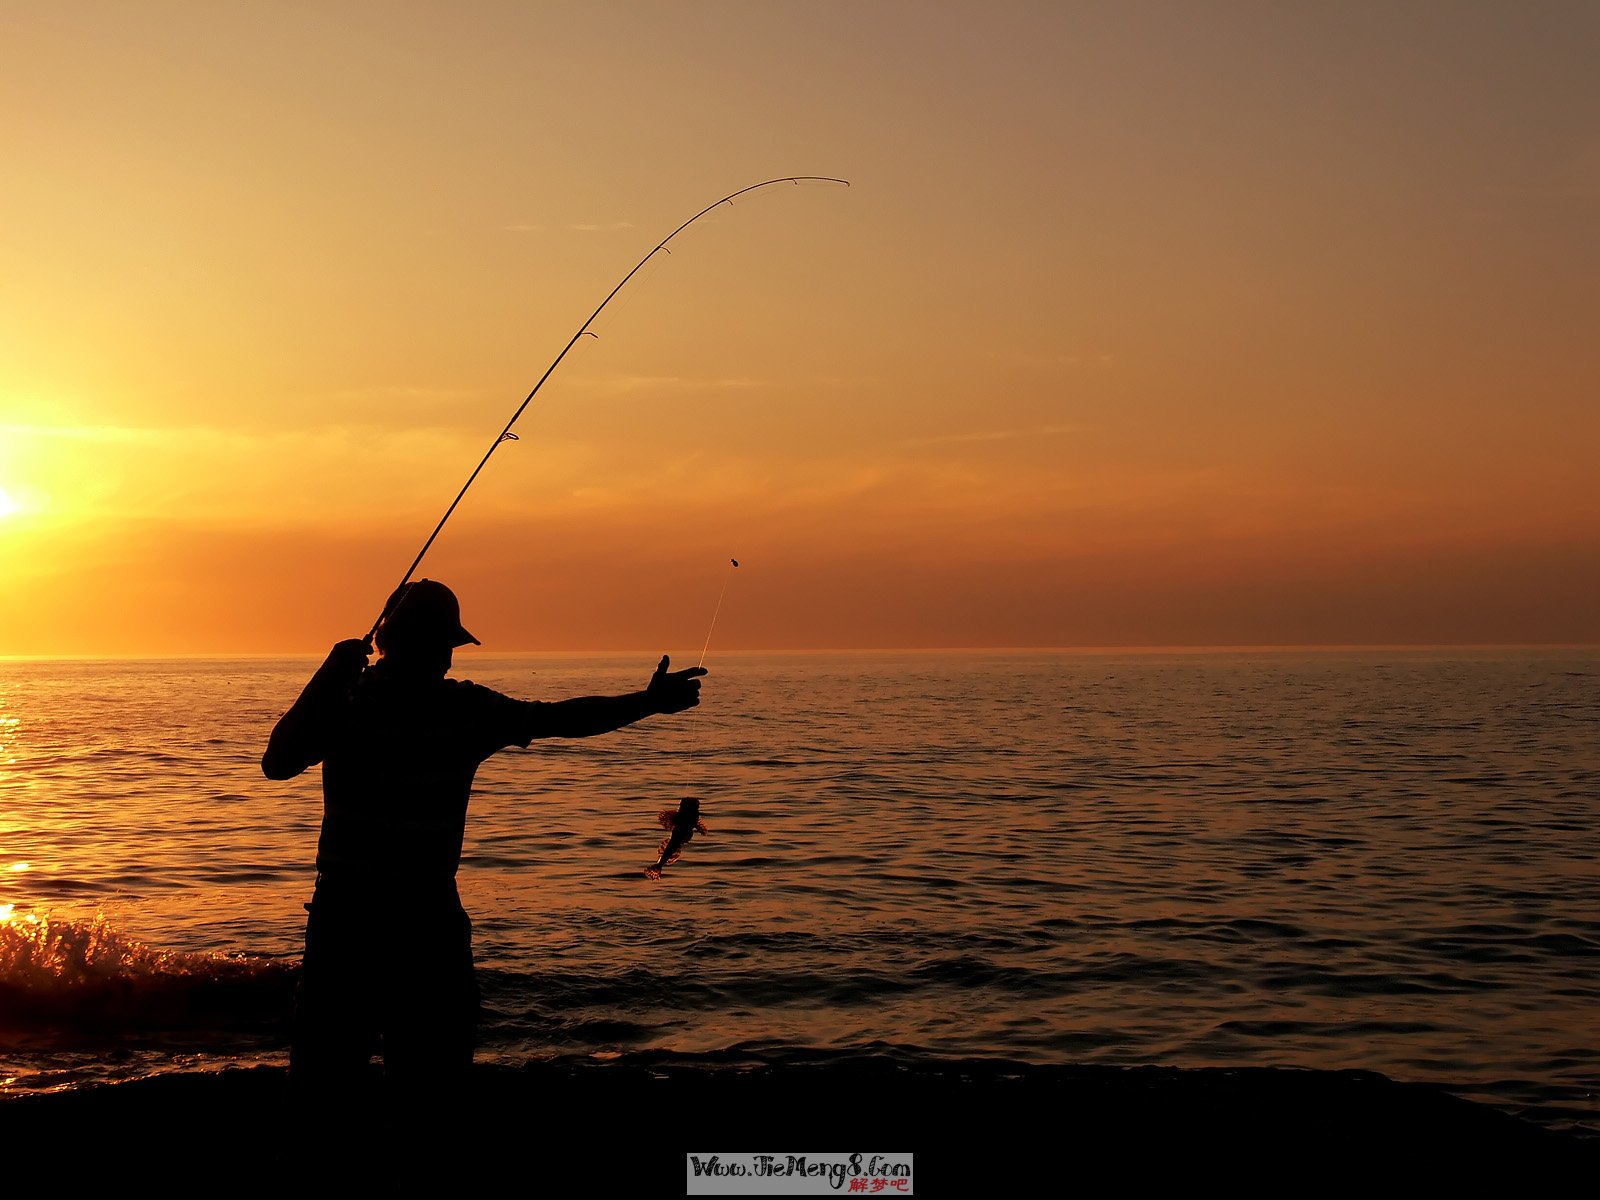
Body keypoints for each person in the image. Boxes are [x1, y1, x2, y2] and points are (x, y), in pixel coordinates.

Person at [262, 578, 705, 1097]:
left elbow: (279, 760)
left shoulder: (352, 702)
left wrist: (328, 678)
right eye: (443, 646)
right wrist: (648, 703)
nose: (448, 660)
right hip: (417, 926)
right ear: (413, 643)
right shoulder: (434, 708)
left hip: (352, 924)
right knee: (425, 1087)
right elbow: (562, 719)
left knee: (330, 1087)